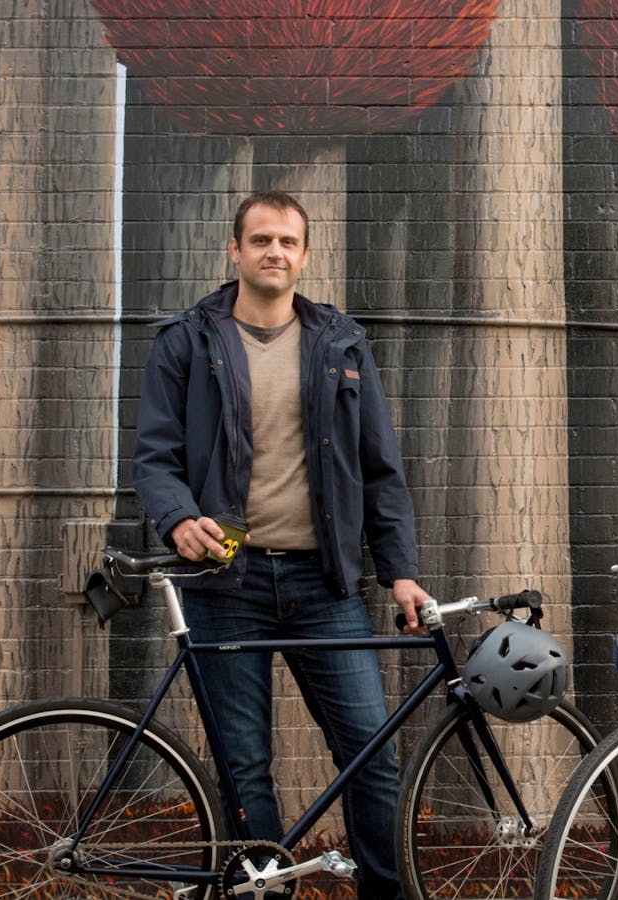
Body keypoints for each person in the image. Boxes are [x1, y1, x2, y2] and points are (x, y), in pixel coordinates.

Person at [132, 190, 429, 900]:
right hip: (223, 587)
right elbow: (154, 457)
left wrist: (402, 573)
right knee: (245, 768)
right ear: (233, 251)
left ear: (303, 255)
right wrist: (178, 521)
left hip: (324, 586)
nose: (274, 252)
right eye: (260, 240)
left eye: (287, 242)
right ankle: (265, 894)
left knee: (370, 756)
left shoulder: (340, 344)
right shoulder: (186, 341)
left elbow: (380, 468)